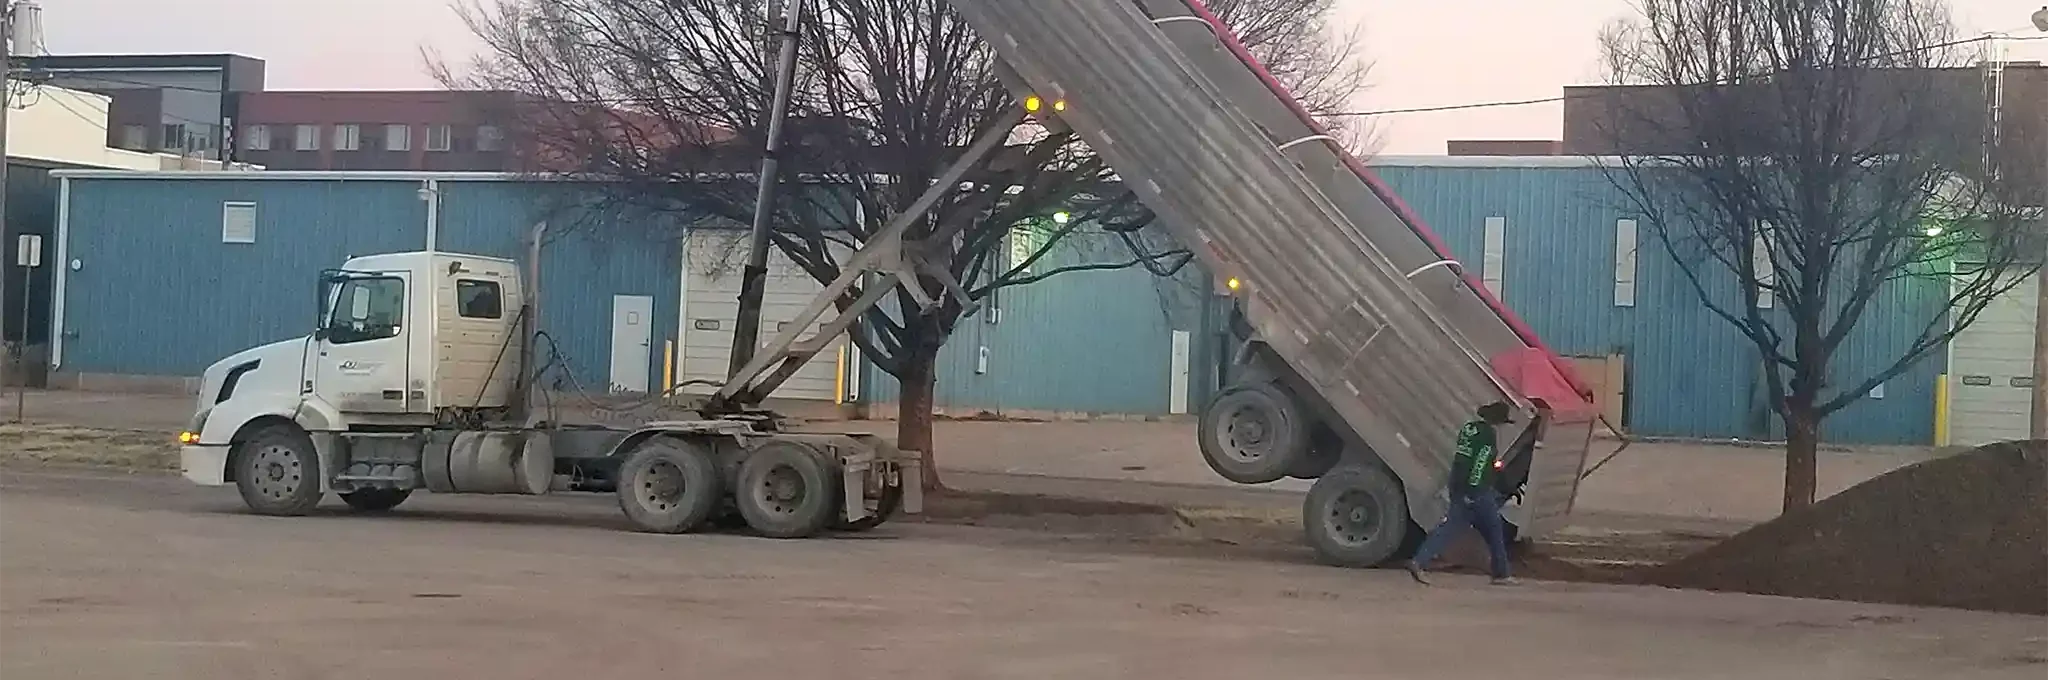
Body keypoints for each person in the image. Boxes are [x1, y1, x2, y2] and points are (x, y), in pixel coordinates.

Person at [1405, 401, 1517, 586]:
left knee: (1451, 528)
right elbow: (1480, 464)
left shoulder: (1469, 429)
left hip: (1458, 484)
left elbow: (1467, 460)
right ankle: (1501, 574)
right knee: (1493, 529)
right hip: (1476, 491)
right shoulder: (1487, 435)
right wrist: (1472, 492)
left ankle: (1419, 561)